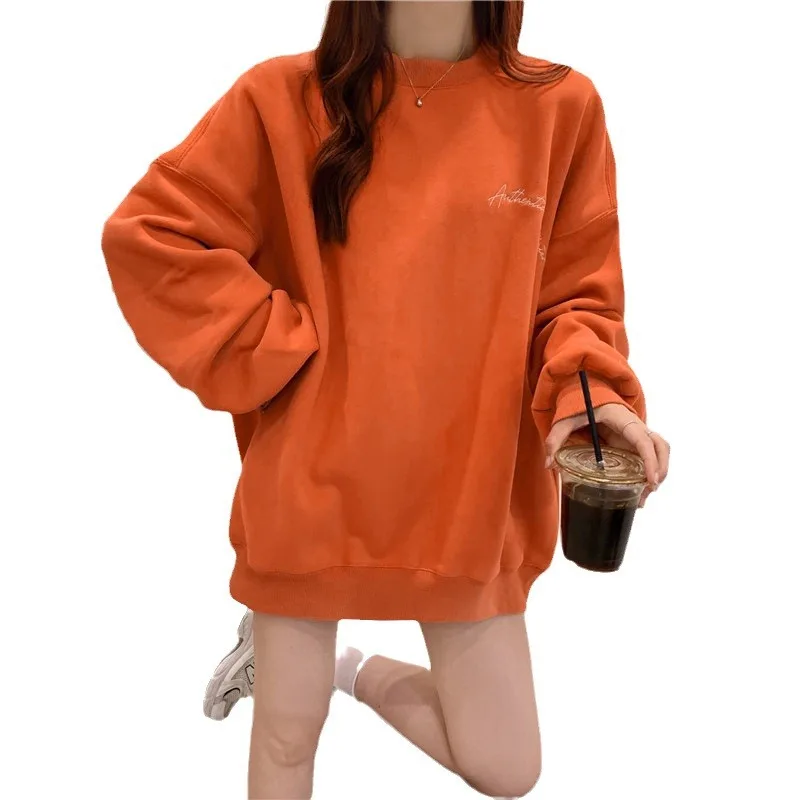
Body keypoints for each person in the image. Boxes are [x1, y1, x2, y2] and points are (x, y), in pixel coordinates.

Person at [101, 0, 671, 797]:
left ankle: (349, 666)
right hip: (312, 486)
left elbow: (576, 299)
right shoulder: (277, 98)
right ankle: (286, 662)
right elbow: (151, 234)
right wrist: (277, 347)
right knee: (288, 733)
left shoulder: (559, 108)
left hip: (469, 504)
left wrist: (596, 399)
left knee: (505, 766)